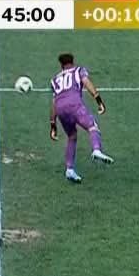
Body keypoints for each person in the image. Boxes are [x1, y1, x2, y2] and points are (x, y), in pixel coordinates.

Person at [49, 53, 111, 183]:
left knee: (72, 136)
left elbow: (54, 102)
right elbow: (87, 83)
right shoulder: (78, 70)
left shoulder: (54, 80)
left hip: (60, 108)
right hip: (74, 104)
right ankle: (96, 149)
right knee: (92, 126)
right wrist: (99, 100)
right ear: (72, 62)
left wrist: (53, 125)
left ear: (61, 65)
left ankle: (69, 169)